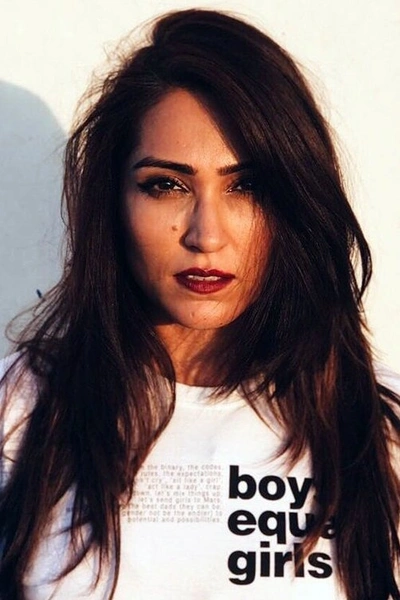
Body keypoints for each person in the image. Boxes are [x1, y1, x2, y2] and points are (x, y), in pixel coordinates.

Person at [0, 7, 399, 600]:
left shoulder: (378, 429)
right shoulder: (22, 409)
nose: (206, 235)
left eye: (247, 186)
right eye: (166, 185)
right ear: (113, 201)